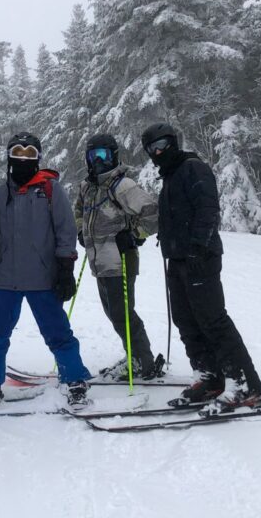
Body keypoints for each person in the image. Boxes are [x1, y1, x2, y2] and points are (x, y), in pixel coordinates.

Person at [141, 122, 261, 408]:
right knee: (185, 319)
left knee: (213, 320)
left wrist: (198, 247)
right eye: (151, 148)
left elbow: (208, 209)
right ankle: (210, 377)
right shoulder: (171, 175)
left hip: (201, 257)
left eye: (162, 144)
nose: (157, 152)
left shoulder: (193, 168)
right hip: (178, 259)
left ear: (174, 142)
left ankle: (246, 384)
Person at [0, 132, 92, 411]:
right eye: (18, 152)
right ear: (9, 156)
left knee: (58, 333)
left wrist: (65, 268)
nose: (23, 158)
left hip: (43, 279)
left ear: (38, 158)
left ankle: (74, 381)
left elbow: (66, 231)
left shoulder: (50, 190)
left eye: (30, 154)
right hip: (4, 280)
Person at [74, 134, 163, 381]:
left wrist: (134, 235)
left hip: (120, 260)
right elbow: (79, 211)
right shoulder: (87, 187)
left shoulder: (123, 186)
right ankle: (135, 356)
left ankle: (142, 361)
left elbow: (153, 215)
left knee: (123, 314)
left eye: (104, 155)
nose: (99, 161)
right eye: (94, 156)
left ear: (114, 156)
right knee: (115, 314)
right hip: (99, 262)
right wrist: (81, 230)